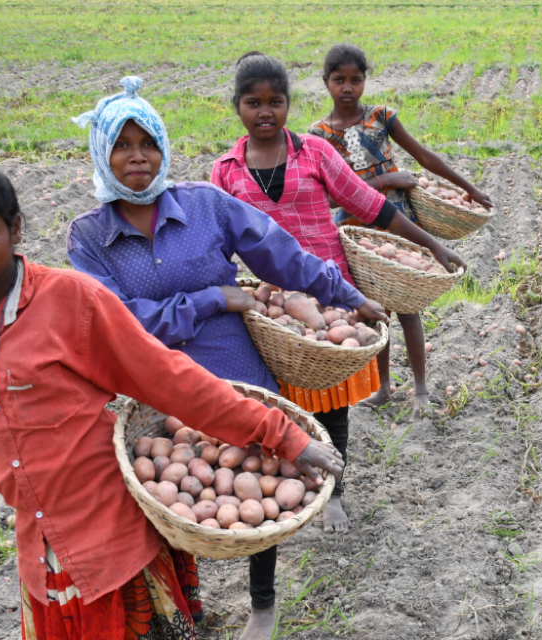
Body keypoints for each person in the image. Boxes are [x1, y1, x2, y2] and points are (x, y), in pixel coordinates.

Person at [0, 154, 343, 639]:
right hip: (41, 555)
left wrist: (281, 433)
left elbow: (168, 379)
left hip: (114, 536)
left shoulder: (71, 301)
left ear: (15, 229)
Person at [65, 76, 385, 639]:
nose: (137, 157)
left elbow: (282, 256)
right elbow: (115, 323)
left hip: (239, 375)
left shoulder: (206, 205)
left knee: (263, 479)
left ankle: (263, 604)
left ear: (163, 148)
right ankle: (183, 608)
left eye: (149, 143)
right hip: (161, 392)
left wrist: (350, 296)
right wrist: (212, 298)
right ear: (101, 152)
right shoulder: (89, 237)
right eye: (122, 145)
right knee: (169, 505)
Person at [211, 52, 465, 534]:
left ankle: (334, 494)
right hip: (271, 303)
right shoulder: (224, 172)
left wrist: (433, 244)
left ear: (288, 104)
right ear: (238, 107)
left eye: (276, 101)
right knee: (279, 403)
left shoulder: (315, 152)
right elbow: (216, 244)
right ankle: (289, 483)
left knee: (330, 402)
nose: (266, 111)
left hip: (329, 294)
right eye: (253, 102)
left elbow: (371, 206)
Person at [308, 43, 493, 406]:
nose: (347, 87)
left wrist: (469, 188)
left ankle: (421, 388)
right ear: (325, 82)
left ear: (365, 81)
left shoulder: (381, 117)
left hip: (397, 224)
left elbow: (423, 155)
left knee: (408, 308)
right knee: (374, 311)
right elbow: (326, 198)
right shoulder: (318, 136)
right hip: (356, 233)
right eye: (339, 80)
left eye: (355, 80)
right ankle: (383, 388)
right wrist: (384, 182)